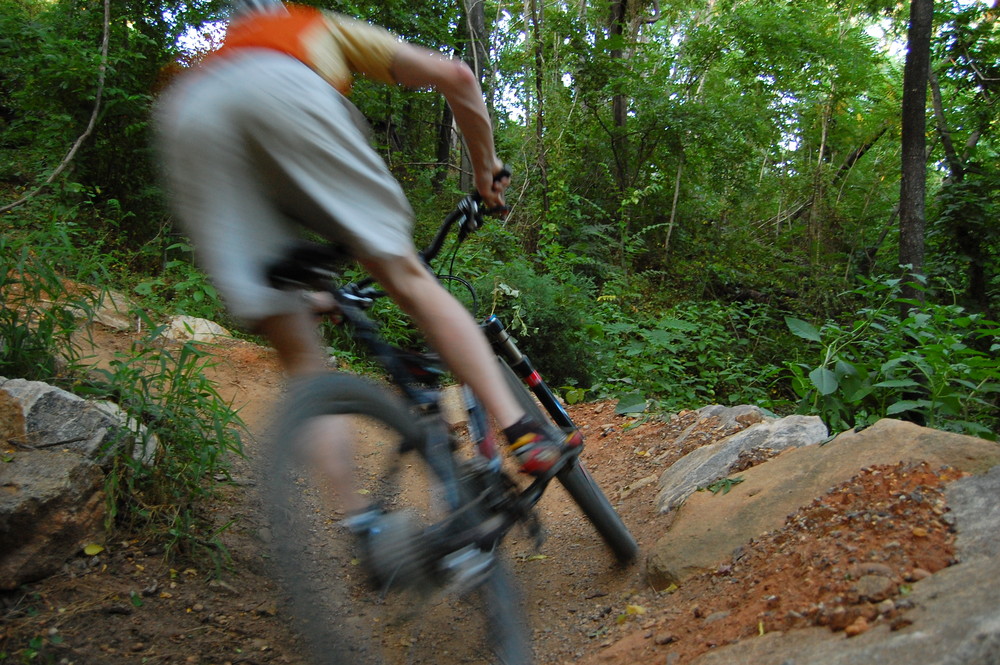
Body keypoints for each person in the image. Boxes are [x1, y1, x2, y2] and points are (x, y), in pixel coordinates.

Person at [154, 0, 579, 525]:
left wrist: (311, 298)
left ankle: (363, 524)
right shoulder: (307, 25)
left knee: (303, 361)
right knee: (407, 278)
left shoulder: (214, 58)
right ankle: (523, 430)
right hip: (280, 88)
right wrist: (485, 170)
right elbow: (457, 76)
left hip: (189, 116)